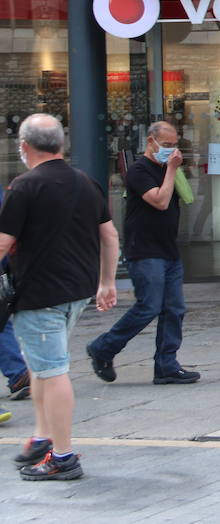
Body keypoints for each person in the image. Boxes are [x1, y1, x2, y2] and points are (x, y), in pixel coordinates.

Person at [0, 114, 119, 481]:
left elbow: (3, 243)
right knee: (41, 366)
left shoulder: (23, 187)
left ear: (24, 146)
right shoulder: (86, 182)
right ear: (61, 144)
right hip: (76, 292)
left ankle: (63, 456)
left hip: (40, 294)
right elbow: (110, 236)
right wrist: (107, 282)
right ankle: (41, 437)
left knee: (52, 372)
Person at [86, 122, 200, 386]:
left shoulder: (166, 168)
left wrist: (173, 170)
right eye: (168, 145)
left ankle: (166, 365)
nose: (172, 151)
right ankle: (103, 348)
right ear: (152, 142)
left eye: (175, 145)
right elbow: (160, 201)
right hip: (145, 249)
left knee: (174, 308)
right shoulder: (139, 171)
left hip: (168, 249)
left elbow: (184, 195)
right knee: (148, 306)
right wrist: (172, 169)